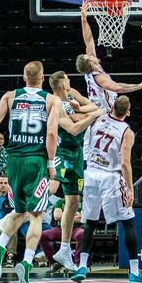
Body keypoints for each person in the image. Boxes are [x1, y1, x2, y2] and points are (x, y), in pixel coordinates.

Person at [0, 60, 61, 283]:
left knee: (20, 211)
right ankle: (27, 262)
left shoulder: (10, 96)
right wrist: (51, 164)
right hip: (36, 160)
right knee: (37, 215)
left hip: (13, 161)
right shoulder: (51, 100)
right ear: (42, 78)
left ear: (23, 76)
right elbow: (51, 133)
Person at [71, 96, 142, 283]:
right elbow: (124, 163)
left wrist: (76, 107)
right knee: (128, 222)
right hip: (111, 177)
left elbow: (77, 116)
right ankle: (134, 272)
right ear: (128, 112)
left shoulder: (98, 117)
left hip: (90, 174)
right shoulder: (127, 131)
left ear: (112, 106)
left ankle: (82, 266)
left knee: (90, 222)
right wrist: (130, 188)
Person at [75, 2, 142, 161]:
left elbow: (89, 40)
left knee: (94, 154)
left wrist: (84, 18)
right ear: (90, 63)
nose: (90, 53)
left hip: (100, 114)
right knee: (97, 156)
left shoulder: (93, 69)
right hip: (102, 118)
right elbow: (118, 88)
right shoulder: (100, 78)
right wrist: (140, 85)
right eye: (88, 56)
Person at [47, 70, 99, 271]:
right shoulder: (53, 102)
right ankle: (20, 209)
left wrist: (81, 109)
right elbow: (75, 127)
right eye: (67, 79)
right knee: (52, 188)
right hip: (61, 150)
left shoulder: (73, 93)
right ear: (62, 84)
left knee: (74, 200)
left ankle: (64, 249)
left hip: (77, 153)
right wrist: (90, 115)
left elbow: (93, 105)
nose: (70, 81)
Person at [41, 197, 85, 273]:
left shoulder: (84, 201)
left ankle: (77, 263)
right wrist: (75, 217)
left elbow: (84, 217)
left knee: (82, 234)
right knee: (43, 235)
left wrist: (65, 217)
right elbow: (57, 216)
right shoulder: (61, 202)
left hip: (77, 228)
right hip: (61, 228)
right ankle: (54, 263)